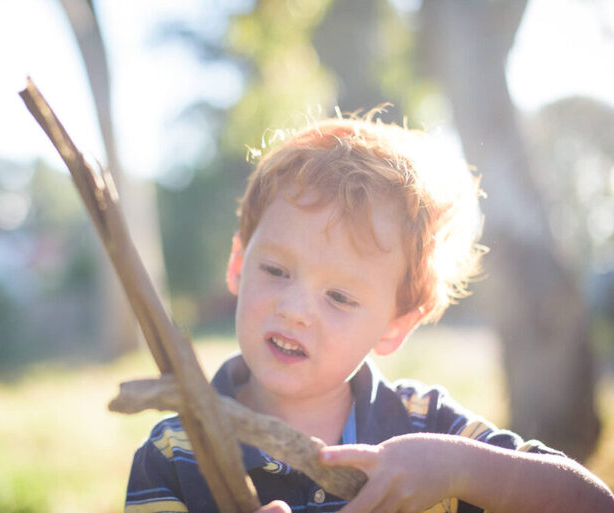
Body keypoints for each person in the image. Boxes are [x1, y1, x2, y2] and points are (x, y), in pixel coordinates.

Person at [124, 114, 614, 513]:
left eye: (339, 297)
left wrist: (459, 471)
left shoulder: (427, 431)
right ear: (237, 264)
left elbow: (593, 503)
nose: (294, 311)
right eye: (276, 269)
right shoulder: (176, 454)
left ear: (396, 326)